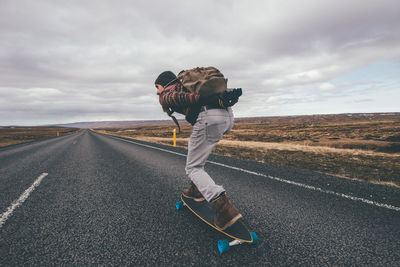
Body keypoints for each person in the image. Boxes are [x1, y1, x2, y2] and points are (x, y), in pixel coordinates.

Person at [155, 70, 242, 230]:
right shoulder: (189, 85)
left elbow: (182, 98)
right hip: (227, 117)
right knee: (197, 156)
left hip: (209, 117)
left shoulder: (168, 93)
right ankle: (196, 190)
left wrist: (204, 99)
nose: (157, 91)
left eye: (157, 86)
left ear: (165, 83)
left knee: (193, 167)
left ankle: (224, 209)